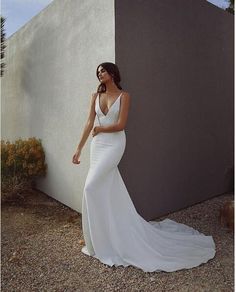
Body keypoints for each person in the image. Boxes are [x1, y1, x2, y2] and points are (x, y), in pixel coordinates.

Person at [72, 62, 216, 273]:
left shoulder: (124, 96)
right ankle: (100, 240)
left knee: (90, 188)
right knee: (103, 189)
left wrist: (100, 128)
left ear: (112, 73)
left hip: (114, 145)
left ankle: (106, 241)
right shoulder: (95, 96)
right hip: (97, 146)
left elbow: (121, 125)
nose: (100, 74)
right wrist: (79, 149)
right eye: (97, 72)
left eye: (103, 70)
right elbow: (88, 123)